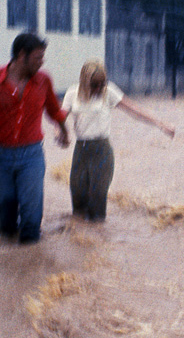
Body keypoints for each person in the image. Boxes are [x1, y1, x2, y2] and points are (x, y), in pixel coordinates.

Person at [0, 33, 70, 244]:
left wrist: (64, 131)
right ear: (22, 55)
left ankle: (31, 260)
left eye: (43, 58)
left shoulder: (43, 81)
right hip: (1, 155)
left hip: (32, 156)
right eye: (38, 58)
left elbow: (54, 110)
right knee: (5, 222)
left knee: (31, 218)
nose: (42, 62)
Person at [62, 59, 175, 222]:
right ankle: (80, 234)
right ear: (84, 81)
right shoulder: (72, 93)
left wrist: (161, 124)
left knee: (98, 202)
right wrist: (59, 132)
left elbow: (134, 110)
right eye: (94, 85)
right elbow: (60, 117)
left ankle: (98, 234)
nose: (98, 89)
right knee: (77, 200)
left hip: (102, 150)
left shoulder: (109, 92)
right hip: (81, 150)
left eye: (101, 84)